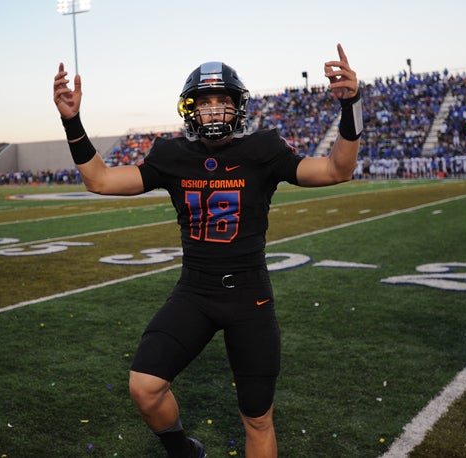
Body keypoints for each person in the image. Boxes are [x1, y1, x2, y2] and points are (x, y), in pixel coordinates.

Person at [53, 43, 362, 458]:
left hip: (249, 295)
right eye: (205, 102)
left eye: (223, 102)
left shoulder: (263, 151)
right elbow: (101, 180)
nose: (214, 111)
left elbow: (337, 170)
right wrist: (71, 120)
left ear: (239, 108)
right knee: (144, 387)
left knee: (257, 418)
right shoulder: (172, 155)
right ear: (190, 110)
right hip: (194, 292)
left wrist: (351, 106)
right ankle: (184, 450)